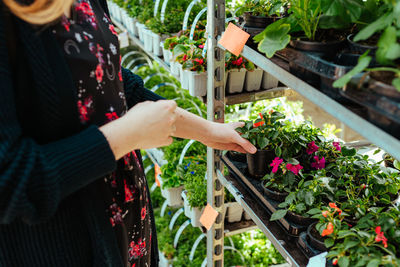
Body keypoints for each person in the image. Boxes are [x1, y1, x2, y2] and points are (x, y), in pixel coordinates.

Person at [0, 0, 256, 266]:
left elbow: (106, 79)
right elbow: (8, 180)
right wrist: (126, 136)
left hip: (127, 228)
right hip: (61, 246)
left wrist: (207, 130)